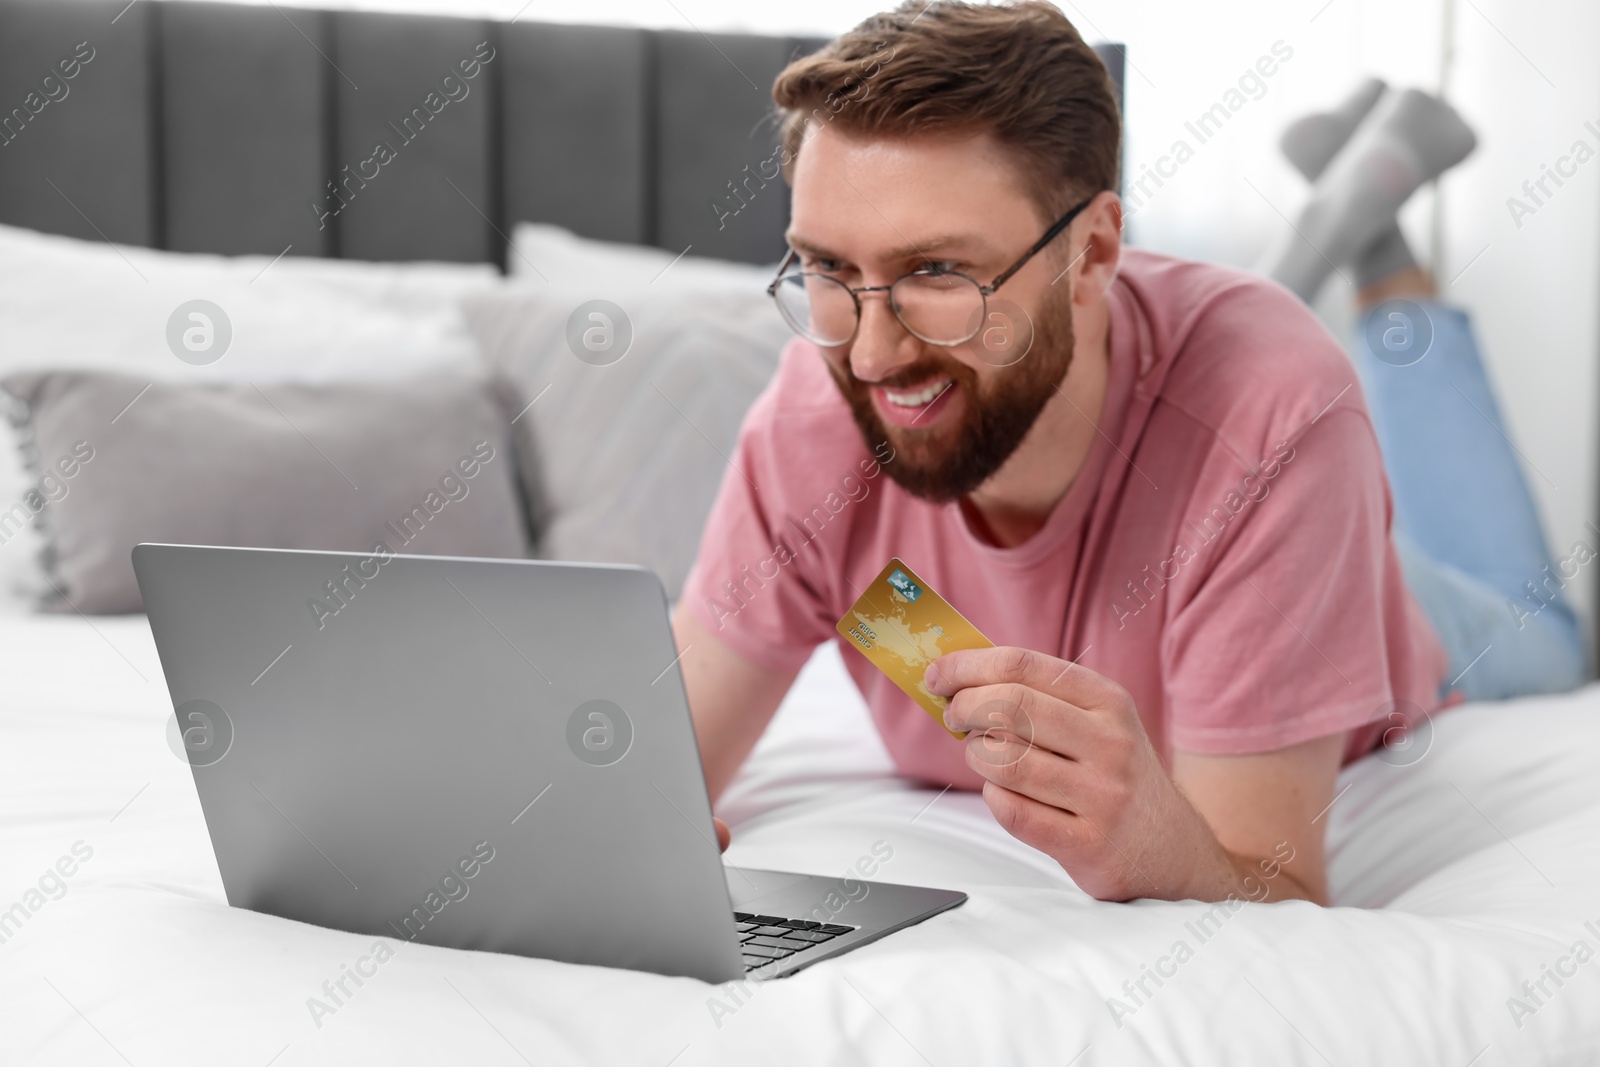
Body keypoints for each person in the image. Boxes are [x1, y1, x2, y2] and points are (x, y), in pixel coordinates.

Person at [674, 1, 1581, 906]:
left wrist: (1153, 841)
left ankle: (1383, 261)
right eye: (829, 270)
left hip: (1409, 615)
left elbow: (1277, 890)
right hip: (1240, 470)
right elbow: (661, 765)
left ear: (1098, 248)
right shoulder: (815, 418)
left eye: (938, 273)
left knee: (1545, 632)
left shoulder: (1277, 418)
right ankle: (1361, 226)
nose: (869, 356)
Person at [1266, 77, 1587, 704]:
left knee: (1522, 614)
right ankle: (1345, 211)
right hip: (1314, 584)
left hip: (1281, 571)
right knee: (1542, 633)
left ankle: (1341, 217)